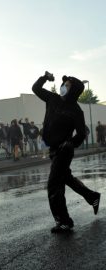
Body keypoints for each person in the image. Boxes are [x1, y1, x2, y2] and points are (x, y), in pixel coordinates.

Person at [32, 71, 101, 233]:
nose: (63, 86)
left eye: (67, 85)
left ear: (74, 90)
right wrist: (44, 78)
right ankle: (92, 197)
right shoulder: (53, 98)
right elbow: (36, 88)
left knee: (54, 185)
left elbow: (82, 133)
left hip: (64, 150)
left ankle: (64, 221)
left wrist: (70, 143)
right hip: (53, 149)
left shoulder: (76, 111)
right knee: (65, 178)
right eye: (64, 84)